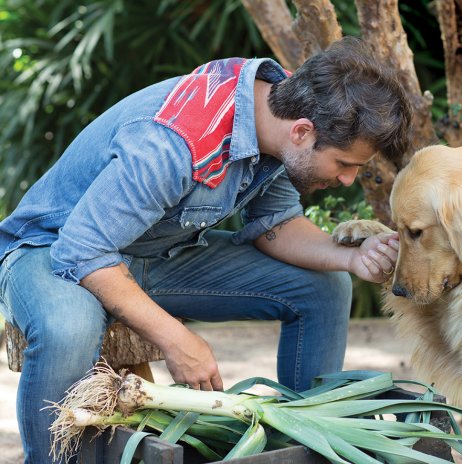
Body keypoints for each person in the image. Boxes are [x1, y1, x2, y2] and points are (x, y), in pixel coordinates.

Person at [0, 36, 411, 462]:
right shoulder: (171, 143)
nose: (347, 179)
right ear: (303, 133)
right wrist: (179, 341)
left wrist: (351, 258)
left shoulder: (285, 111)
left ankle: (312, 443)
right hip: (50, 249)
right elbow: (83, 252)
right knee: (69, 327)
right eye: (345, 165)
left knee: (324, 286)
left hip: (150, 253)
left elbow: (277, 226)